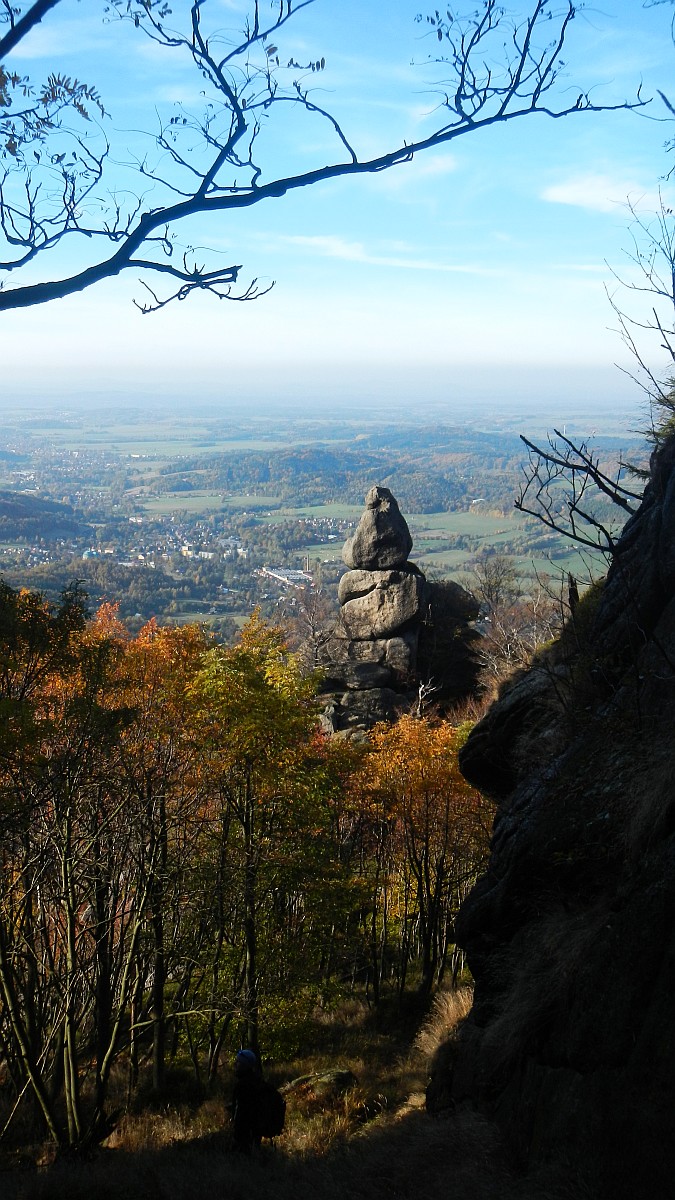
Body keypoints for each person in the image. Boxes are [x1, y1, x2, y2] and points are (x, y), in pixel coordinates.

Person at [231, 1048, 263, 1152]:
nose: (235, 1064)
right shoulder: (258, 1081)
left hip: (245, 1131)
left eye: (238, 1062)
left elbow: (240, 1112)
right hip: (257, 1129)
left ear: (245, 1065)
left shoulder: (242, 1085)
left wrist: (236, 1134)